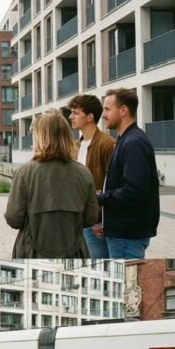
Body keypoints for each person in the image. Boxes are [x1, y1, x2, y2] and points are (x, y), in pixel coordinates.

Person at [4, 110, 99, 258]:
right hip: (74, 252)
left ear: (39, 137)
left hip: (32, 253)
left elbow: (14, 218)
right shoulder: (83, 173)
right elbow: (91, 217)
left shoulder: (24, 173)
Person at [98, 88, 160, 259]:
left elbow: (134, 192)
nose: (103, 115)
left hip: (127, 235)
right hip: (123, 233)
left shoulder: (133, 142)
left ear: (123, 110)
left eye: (107, 109)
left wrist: (101, 197)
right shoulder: (125, 139)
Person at [67, 94, 115, 259]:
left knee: (99, 264)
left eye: (75, 113)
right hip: (77, 220)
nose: (70, 116)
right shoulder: (75, 145)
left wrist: (99, 219)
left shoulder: (107, 144)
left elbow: (111, 185)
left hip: (95, 223)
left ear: (90, 117)